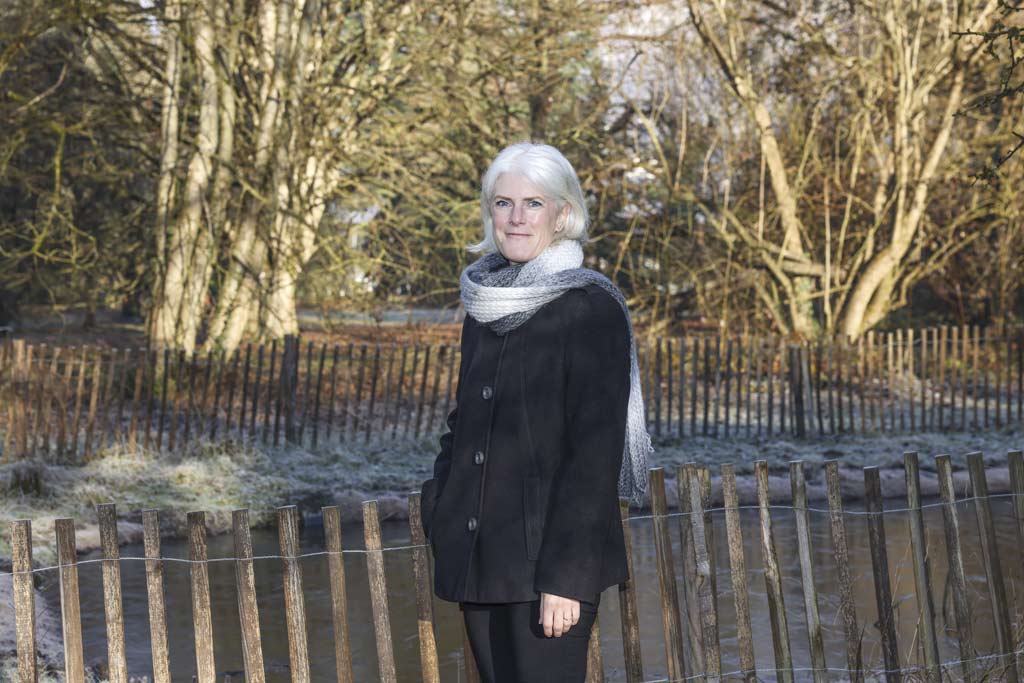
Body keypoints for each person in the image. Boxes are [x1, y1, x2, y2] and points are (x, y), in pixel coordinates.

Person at [418, 142, 652, 683]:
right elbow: (466, 421)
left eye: (533, 204)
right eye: (503, 203)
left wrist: (567, 578)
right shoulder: (485, 303)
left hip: (547, 567)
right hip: (482, 554)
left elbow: (594, 454)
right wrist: (442, 506)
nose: (516, 218)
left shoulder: (589, 308)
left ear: (563, 213)